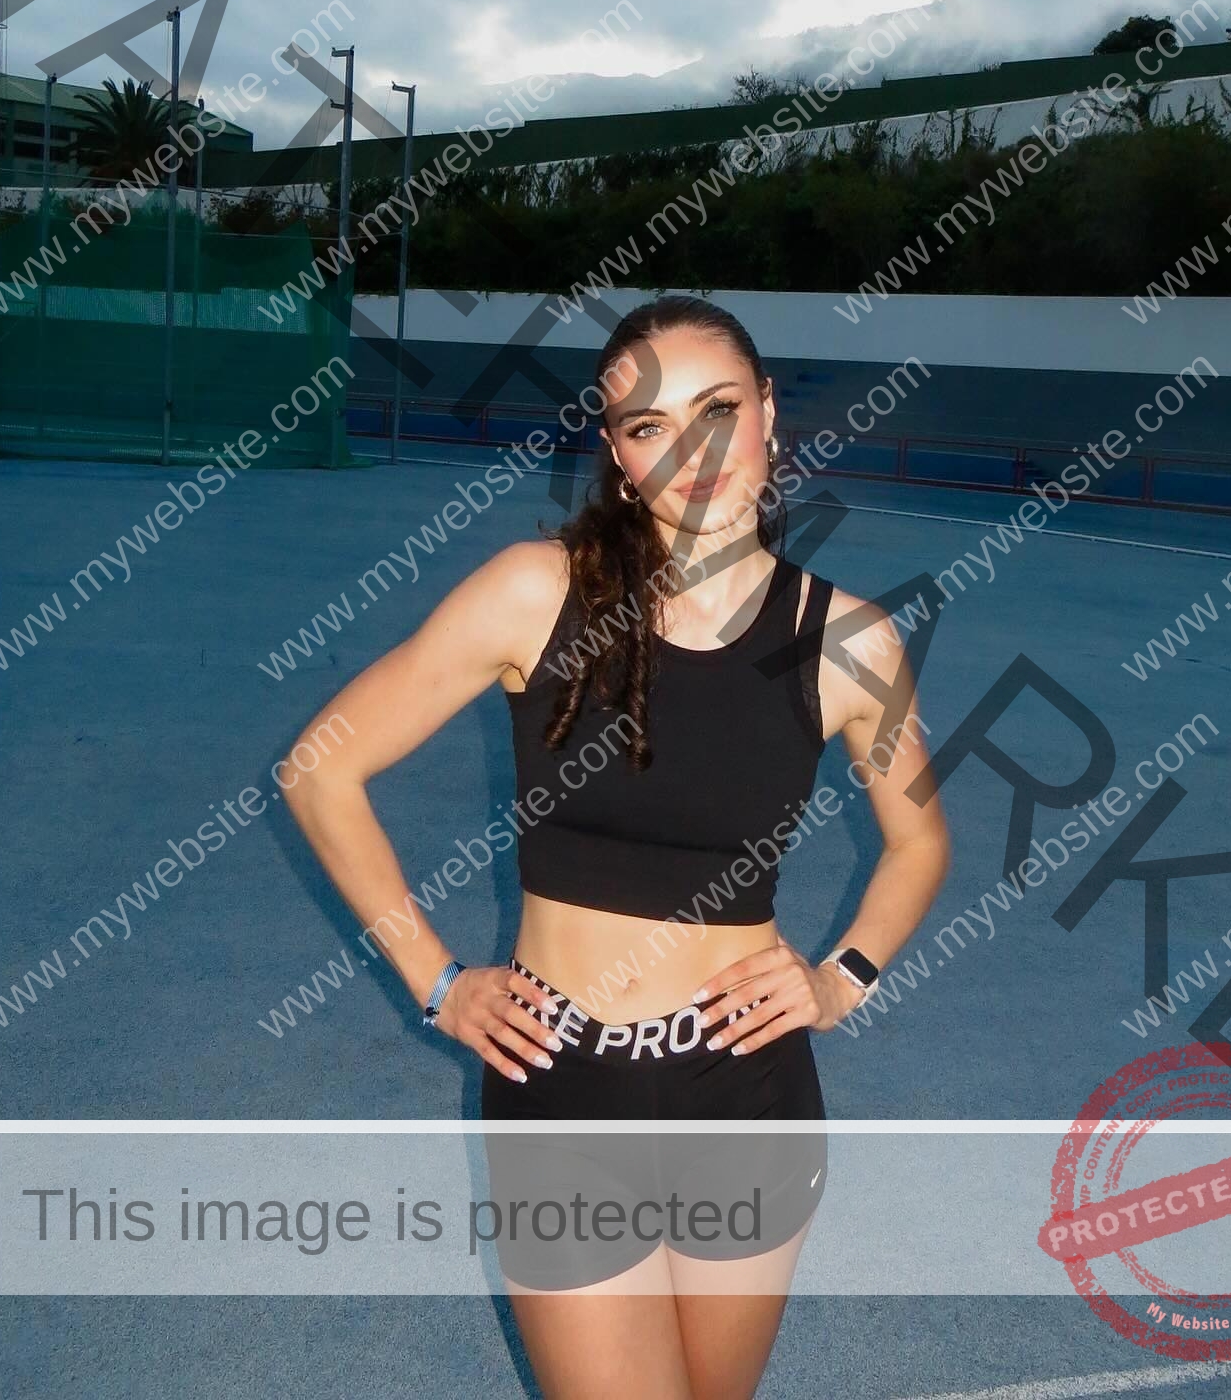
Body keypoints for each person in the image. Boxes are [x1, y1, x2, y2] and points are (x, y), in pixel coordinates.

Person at [279, 294, 951, 1398]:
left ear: (770, 412)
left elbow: (918, 840)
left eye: (719, 409)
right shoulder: (534, 592)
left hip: (748, 1094)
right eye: (649, 425)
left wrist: (841, 981)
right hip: (560, 1085)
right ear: (616, 451)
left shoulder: (849, 640)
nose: (692, 451)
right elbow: (320, 765)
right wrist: (437, 981)